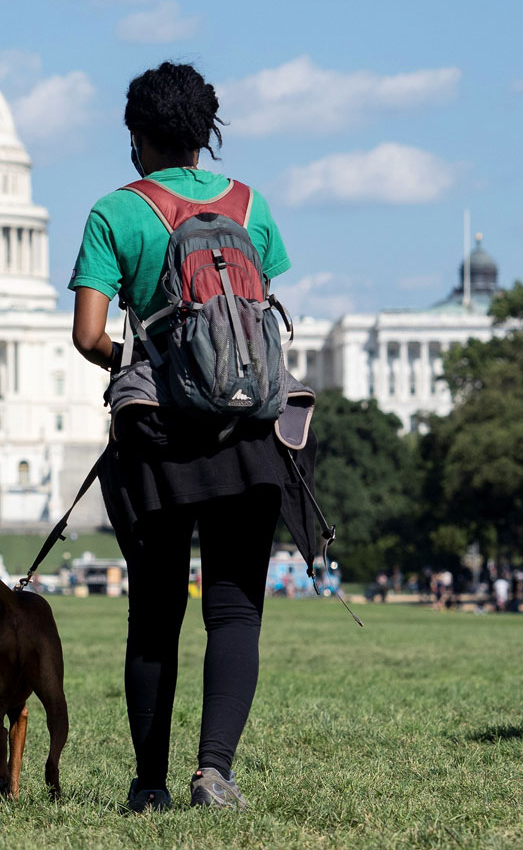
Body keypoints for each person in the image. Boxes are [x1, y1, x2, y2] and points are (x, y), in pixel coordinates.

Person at [69, 62, 302, 813]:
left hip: (162, 436)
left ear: (136, 136)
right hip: (247, 433)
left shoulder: (116, 211)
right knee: (234, 610)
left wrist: (137, 361)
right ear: (208, 135)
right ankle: (216, 772)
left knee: (156, 613)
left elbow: (88, 335)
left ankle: (149, 784)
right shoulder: (251, 206)